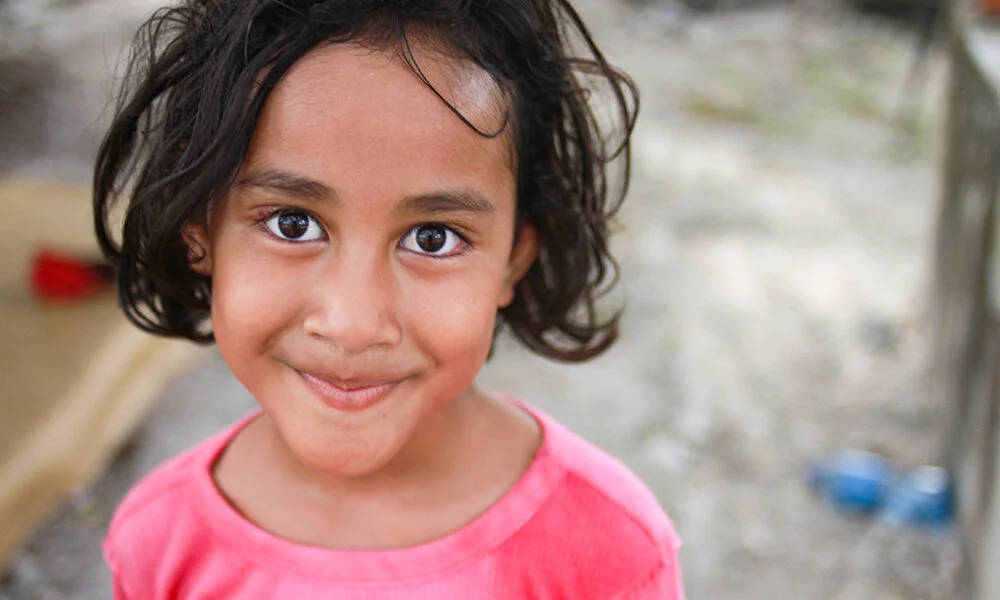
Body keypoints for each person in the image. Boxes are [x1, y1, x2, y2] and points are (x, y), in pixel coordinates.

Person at [93, 0, 685, 597]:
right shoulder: (159, 542)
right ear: (199, 233)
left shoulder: (608, 551)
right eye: (293, 224)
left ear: (513, 258)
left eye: (433, 238)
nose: (353, 323)